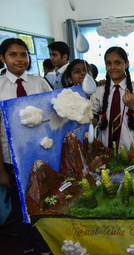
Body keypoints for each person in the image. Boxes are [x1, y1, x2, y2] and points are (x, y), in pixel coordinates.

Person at [0, 38, 52, 255]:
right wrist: (1, 171)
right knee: (21, 209)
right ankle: (27, 248)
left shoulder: (39, 82)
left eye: (23, 54)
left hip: (41, 155)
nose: (20, 59)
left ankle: (47, 248)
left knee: (45, 204)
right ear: (2, 58)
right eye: (13, 55)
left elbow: (54, 113)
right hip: (11, 160)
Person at [90, 47, 134, 153]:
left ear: (126, 64)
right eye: (108, 63)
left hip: (133, 151)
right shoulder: (98, 92)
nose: (113, 67)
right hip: (105, 151)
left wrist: (133, 106)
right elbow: (92, 123)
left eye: (117, 63)